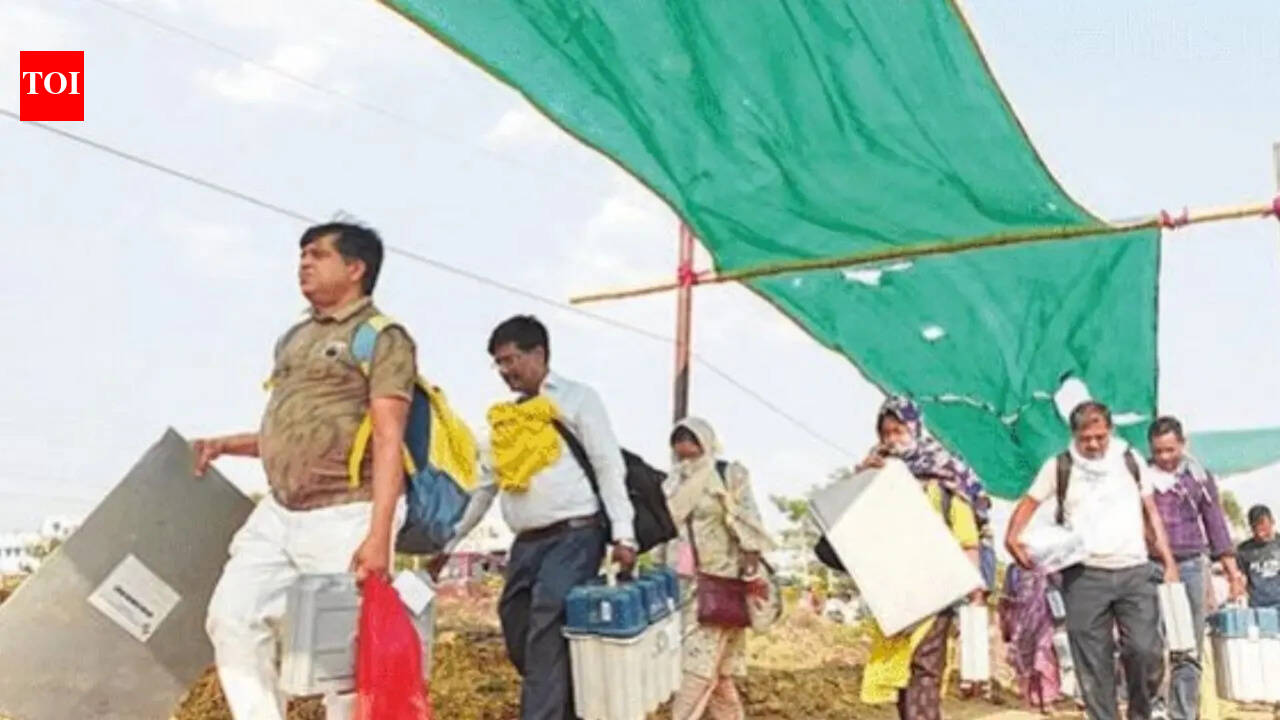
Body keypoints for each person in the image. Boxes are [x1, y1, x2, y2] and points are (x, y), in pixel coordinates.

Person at [192, 223, 416, 720]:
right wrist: (227, 444)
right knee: (232, 617)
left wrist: (378, 534)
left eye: (317, 255)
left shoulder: (382, 338)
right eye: (301, 255)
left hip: (347, 512)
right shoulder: (294, 339)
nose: (304, 264)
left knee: (343, 663)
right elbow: (292, 430)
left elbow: (387, 439)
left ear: (355, 269)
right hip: (280, 510)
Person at [447, 315, 636, 720]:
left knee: (547, 618)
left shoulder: (578, 399)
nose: (505, 371)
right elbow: (484, 488)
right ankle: (568, 707)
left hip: (575, 534)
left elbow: (607, 465)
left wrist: (625, 534)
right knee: (515, 620)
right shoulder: (505, 419)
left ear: (539, 353)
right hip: (527, 543)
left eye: (511, 359)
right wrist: (448, 544)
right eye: (498, 363)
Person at [1005, 401, 1180, 720]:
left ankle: (1142, 711)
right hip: (1084, 577)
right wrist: (1011, 537)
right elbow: (1028, 504)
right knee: (1093, 664)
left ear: (1110, 431)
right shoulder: (1060, 466)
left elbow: (1151, 512)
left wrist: (1168, 562)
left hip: (1134, 571)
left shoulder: (1129, 459)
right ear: (1074, 435)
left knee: (1145, 650)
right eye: (1087, 439)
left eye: (1100, 436)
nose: (1095, 444)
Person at [858, 397, 985, 720]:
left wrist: (974, 591)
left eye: (898, 430)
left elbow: (967, 537)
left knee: (924, 671)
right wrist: (861, 477)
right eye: (886, 433)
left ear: (914, 428)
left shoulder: (944, 479)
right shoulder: (877, 477)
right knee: (902, 675)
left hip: (936, 591)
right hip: (894, 593)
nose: (892, 439)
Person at [665, 417, 774, 720]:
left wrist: (751, 576)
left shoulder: (728, 477)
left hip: (723, 585)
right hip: (686, 587)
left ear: (706, 446)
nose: (687, 460)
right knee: (718, 675)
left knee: (697, 671)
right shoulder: (673, 484)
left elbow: (750, 525)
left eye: (693, 453)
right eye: (681, 454)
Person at [1145, 416, 1246, 720]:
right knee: (1148, 643)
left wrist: (1231, 572)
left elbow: (1215, 524)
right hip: (1149, 566)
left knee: (1187, 645)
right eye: (1158, 451)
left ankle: (1183, 713)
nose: (1164, 458)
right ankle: (1154, 704)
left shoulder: (1199, 478)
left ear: (1182, 445)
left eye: (1170, 450)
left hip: (1190, 565)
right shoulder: (1141, 476)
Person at [998, 564, 1063, 712]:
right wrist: (1004, 620)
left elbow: (1060, 586)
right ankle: (1029, 697)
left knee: (1043, 655)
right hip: (1020, 621)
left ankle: (1047, 699)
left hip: (1044, 618)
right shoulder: (1013, 569)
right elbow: (1006, 596)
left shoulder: (1049, 566)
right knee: (1024, 658)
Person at [1238, 504, 1280, 609]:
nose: (1260, 534)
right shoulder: (1244, 550)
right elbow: (1242, 578)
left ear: (1272, 522)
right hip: (1257, 606)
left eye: (1264, 529)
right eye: (1256, 529)